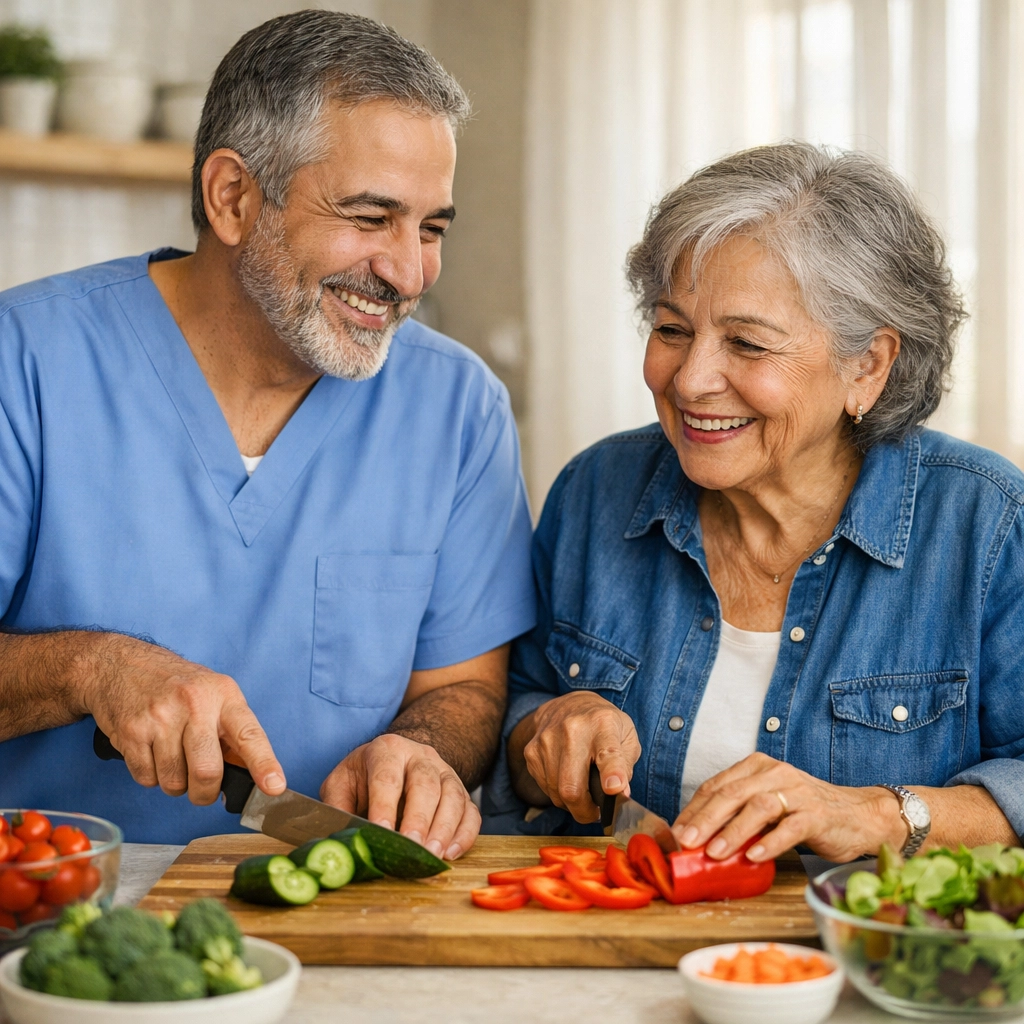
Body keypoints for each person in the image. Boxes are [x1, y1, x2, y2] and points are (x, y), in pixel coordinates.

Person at [0, 11, 535, 853]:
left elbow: (466, 683)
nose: (408, 272)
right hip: (50, 904)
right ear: (233, 197)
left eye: (431, 228)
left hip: (341, 911)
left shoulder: (459, 405)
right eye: (369, 217)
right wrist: (91, 669)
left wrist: (422, 749)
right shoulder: (22, 361)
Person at [485, 142, 1024, 864]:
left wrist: (879, 814)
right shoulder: (595, 490)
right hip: (611, 946)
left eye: (746, 343)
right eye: (672, 330)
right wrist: (548, 725)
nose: (691, 379)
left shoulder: (987, 525)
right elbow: (517, 710)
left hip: (865, 961)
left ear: (867, 365)